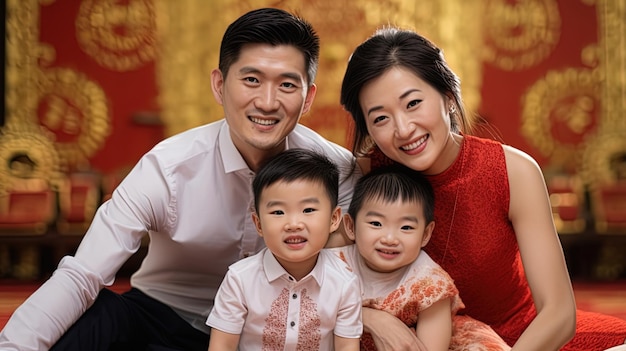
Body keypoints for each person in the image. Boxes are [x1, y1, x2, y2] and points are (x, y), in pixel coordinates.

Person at [0, 8, 361, 351]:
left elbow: (357, 272)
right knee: (98, 316)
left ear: (308, 97)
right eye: (251, 80)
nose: (267, 102)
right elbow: (82, 275)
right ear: (219, 85)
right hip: (159, 318)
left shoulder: (335, 171)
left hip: (272, 334)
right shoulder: (167, 169)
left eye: (286, 84)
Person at [339, 26, 626, 351]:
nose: (403, 129)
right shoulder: (359, 179)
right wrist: (373, 318)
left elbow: (559, 313)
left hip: (526, 340)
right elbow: (314, 283)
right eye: (380, 119)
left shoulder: (512, 171)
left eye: (413, 103)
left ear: (448, 97)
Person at [330, 164, 511, 351]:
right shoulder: (332, 264)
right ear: (350, 227)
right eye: (376, 223)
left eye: (406, 227)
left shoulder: (429, 285)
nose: (390, 239)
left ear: (425, 234)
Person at [206, 149, 362, 351]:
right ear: (259, 224)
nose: (294, 224)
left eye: (308, 210)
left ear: (334, 219)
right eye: (278, 212)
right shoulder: (240, 279)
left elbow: (346, 348)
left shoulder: (344, 283)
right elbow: (222, 347)